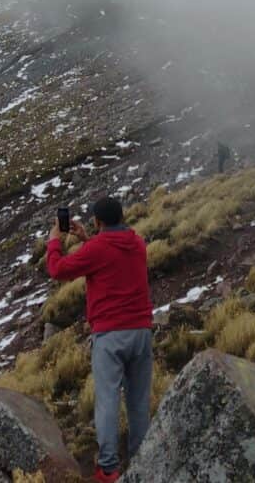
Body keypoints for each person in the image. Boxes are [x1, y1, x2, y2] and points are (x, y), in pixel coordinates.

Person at [46, 196, 153, 482]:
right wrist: (86, 238)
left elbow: (58, 269)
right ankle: (143, 460)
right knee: (138, 402)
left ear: (97, 221)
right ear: (121, 217)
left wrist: (55, 239)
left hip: (110, 336)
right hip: (141, 331)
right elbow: (110, 254)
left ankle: (108, 469)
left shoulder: (97, 249)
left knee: (107, 401)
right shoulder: (137, 243)